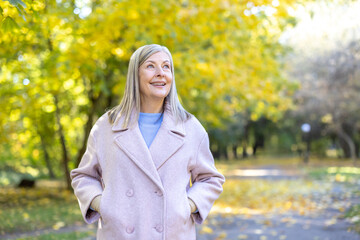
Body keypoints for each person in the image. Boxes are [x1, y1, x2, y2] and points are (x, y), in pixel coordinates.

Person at [71, 44, 225, 240]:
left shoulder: (189, 127)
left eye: (166, 67)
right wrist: (103, 204)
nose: (161, 73)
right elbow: (83, 176)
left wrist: (187, 206)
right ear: (135, 75)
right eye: (151, 66)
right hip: (120, 234)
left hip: (172, 233)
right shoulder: (107, 126)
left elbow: (210, 179)